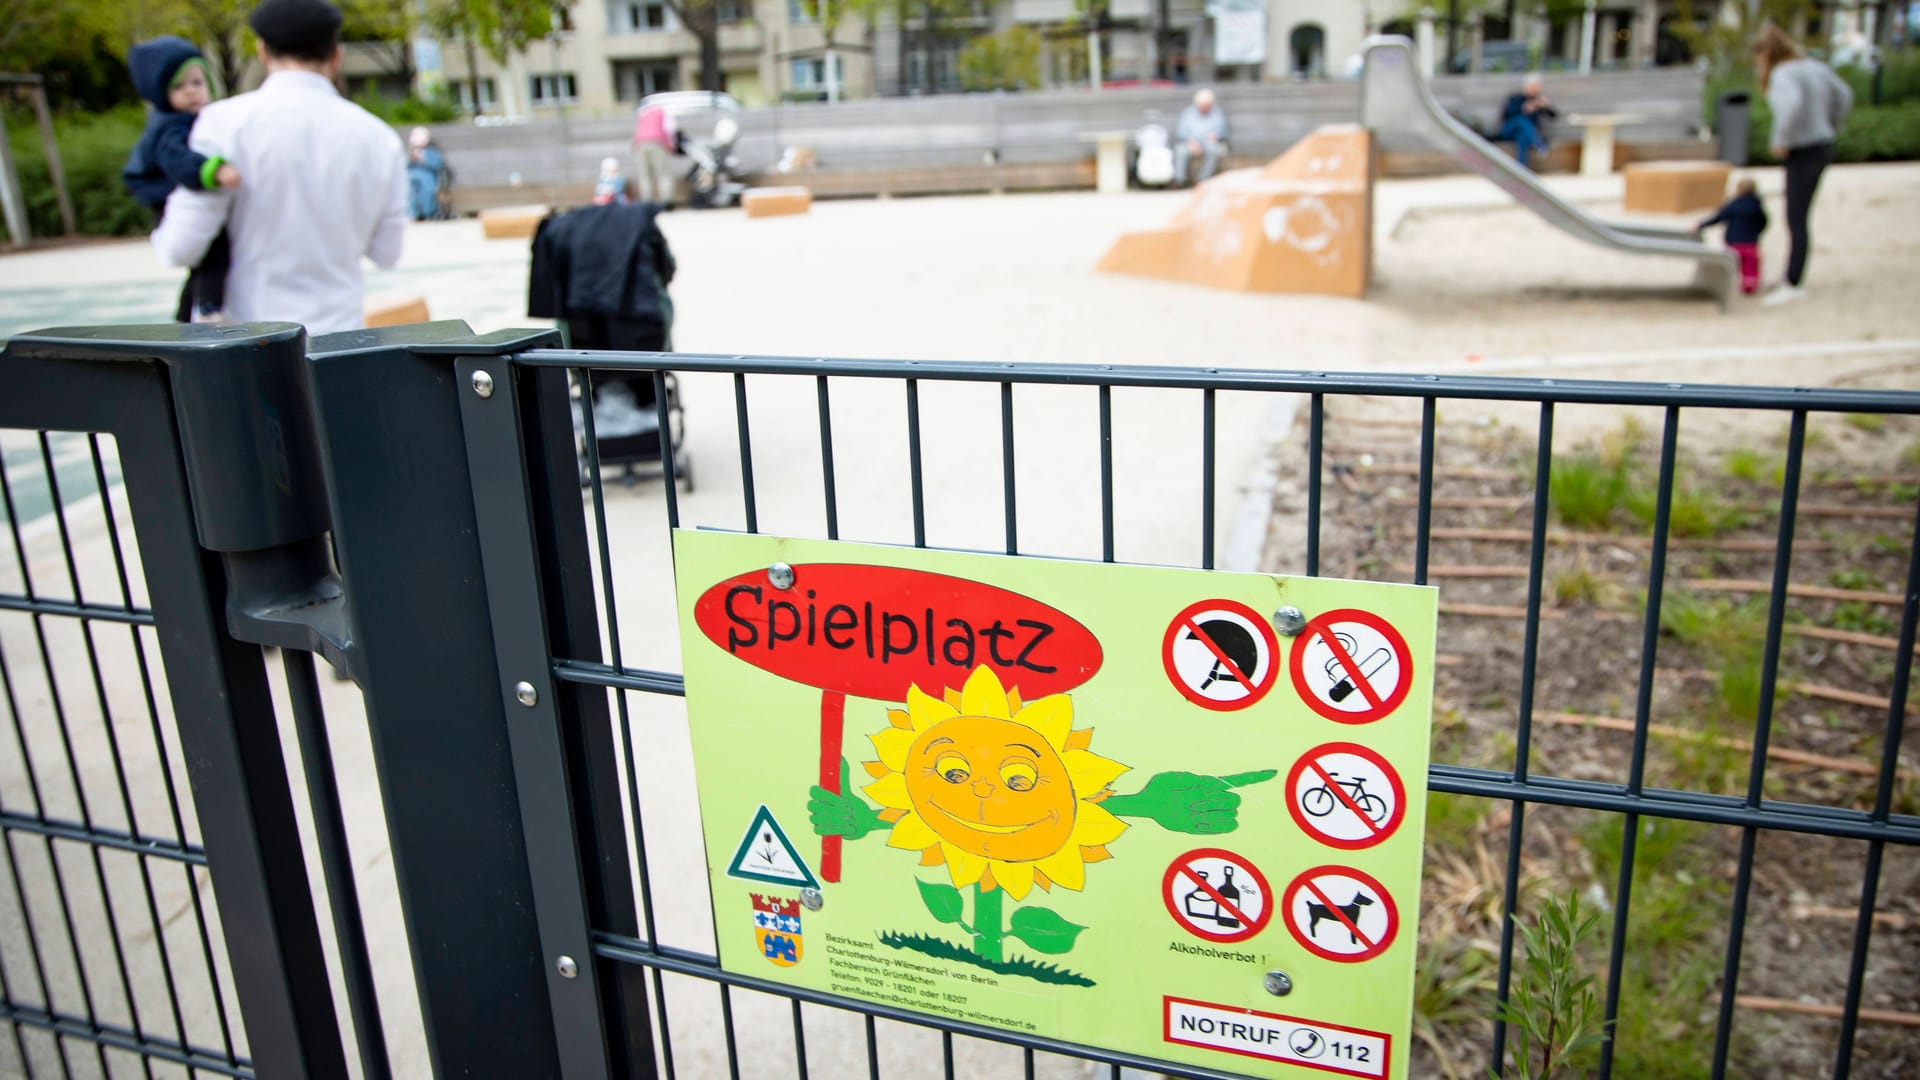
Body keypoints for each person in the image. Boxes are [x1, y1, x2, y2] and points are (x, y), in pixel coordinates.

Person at [151, 0, 407, 336]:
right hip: (339, 341)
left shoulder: (222, 123)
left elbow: (180, 247)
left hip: (244, 344)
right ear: (336, 56)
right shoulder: (378, 138)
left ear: (262, 51)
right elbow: (387, 253)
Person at [121, 36, 242, 322]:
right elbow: (178, 162)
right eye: (179, 86)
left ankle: (185, 314)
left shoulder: (189, 119)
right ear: (160, 92)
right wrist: (214, 171)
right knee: (215, 249)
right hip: (162, 193)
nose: (191, 92)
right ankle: (210, 308)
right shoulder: (170, 126)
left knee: (201, 261)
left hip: (167, 192)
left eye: (197, 83)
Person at [1752, 24, 1852, 305]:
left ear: (1765, 54)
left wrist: (1781, 138)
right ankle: (1791, 276)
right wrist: (1831, 126)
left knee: (1796, 216)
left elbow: (1791, 104)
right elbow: (1844, 95)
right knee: (1800, 215)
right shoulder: (1814, 67)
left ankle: (1794, 282)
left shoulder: (1782, 74)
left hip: (1802, 147)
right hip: (1822, 144)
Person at [1696, 177, 1768, 296]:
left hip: (1733, 241)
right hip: (1750, 242)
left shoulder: (1733, 204)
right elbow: (1764, 222)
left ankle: (1725, 283)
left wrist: (1701, 225)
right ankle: (1749, 284)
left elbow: (1718, 217)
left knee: (1731, 263)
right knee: (1750, 265)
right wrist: (1756, 232)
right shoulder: (1757, 206)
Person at [1498, 75, 1557, 171]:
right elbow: (1506, 115)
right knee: (1521, 120)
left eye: (1536, 87)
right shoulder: (1516, 98)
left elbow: (1553, 117)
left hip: (1525, 134)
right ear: (1526, 87)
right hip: (1509, 130)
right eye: (1532, 86)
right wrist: (1524, 109)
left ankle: (1521, 169)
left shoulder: (1538, 102)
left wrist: (1546, 107)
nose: (1534, 89)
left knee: (1522, 136)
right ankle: (1539, 145)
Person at [1172, 89, 1228, 186]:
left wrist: (1215, 136)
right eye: (1202, 105)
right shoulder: (1188, 113)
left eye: (1207, 105)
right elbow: (1181, 132)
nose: (1204, 107)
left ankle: (1203, 180)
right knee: (1180, 151)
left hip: (1209, 143)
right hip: (1191, 143)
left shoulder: (1216, 113)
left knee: (1213, 150)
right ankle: (1180, 180)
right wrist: (1191, 142)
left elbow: (1222, 131)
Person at [632, 98, 679, 206]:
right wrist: (671, 144)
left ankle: (647, 201)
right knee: (663, 172)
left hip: (640, 144)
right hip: (657, 142)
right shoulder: (664, 112)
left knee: (644, 175)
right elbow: (670, 129)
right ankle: (666, 201)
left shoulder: (644, 112)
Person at [406, 127, 445, 221]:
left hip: (428, 175)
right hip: (411, 175)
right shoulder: (410, 153)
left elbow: (437, 165)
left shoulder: (431, 151)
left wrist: (422, 160)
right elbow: (405, 167)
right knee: (409, 190)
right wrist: (411, 159)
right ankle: (412, 214)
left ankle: (427, 213)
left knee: (427, 190)